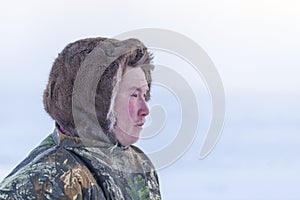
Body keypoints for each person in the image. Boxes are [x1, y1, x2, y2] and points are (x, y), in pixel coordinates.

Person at [0, 37, 161, 199]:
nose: (145, 109)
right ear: (95, 102)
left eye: (144, 94)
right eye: (134, 95)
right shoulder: (46, 181)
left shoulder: (138, 165)